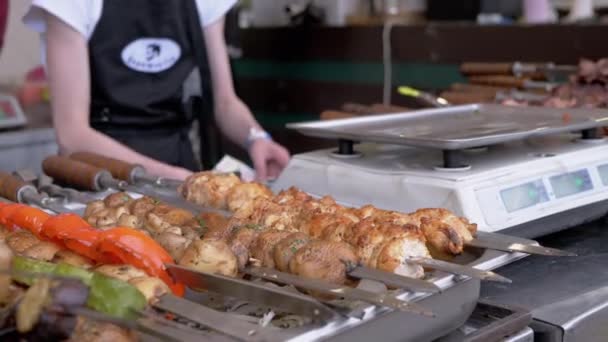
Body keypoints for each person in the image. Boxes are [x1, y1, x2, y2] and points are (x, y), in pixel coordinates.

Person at [23, 0, 290, 181]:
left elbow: (225, 103)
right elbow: (72, 136)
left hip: (178, 161)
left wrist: (256, 138)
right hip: (98, 179)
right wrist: (171, 177)